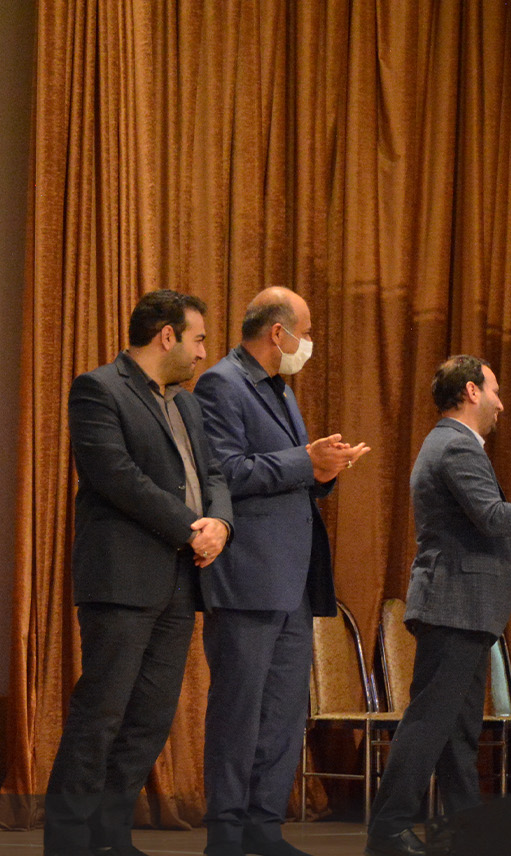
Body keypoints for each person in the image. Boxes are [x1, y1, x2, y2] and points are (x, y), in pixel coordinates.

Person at [365, 356, 511, 856]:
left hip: (462, 606)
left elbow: (466, 526)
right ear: (471, 391)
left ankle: (466, 832)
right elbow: (490, 515)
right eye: (494, 391)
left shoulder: (449, 443)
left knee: (457, 730)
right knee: (429, 720)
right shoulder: (456, 445)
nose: (500, 403)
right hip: (454, 605)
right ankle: (387, 828)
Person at [45, 290, 234, 856]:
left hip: (180, 579)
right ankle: (68, 840)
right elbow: (116, 475)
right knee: (101, 713)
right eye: (198, 339)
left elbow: (214, 473)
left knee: (150, 717)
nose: (203, 352)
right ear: (167, 335)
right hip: (122, 579)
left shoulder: (188, 405)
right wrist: (189, 527)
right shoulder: (99, 389)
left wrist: (221, 524)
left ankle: (110, 835)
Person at [193, 287, 368, 856]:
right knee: (239, 710)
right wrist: (305, 460)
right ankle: (227, 832)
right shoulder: (222, 383)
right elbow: (224, 472)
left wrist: (325, 469)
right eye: (305, 331)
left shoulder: (281, 390)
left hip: (292, 578)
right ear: (278, 332)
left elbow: (292, 473)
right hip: (247, 575)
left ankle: (264, 828)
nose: (309, 342)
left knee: (284, 712)